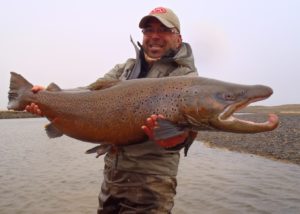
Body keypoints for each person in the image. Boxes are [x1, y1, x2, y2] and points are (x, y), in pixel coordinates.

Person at [26, 7, 198, 213]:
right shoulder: (125, 68)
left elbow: (188, 127)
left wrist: (179, 140)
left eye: (163, 30)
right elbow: (89, 93)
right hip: (113, 174)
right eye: (148, 30)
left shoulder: (185, 77)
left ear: (178, 38)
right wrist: (50, 96)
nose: (154, 36)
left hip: (153, 181)